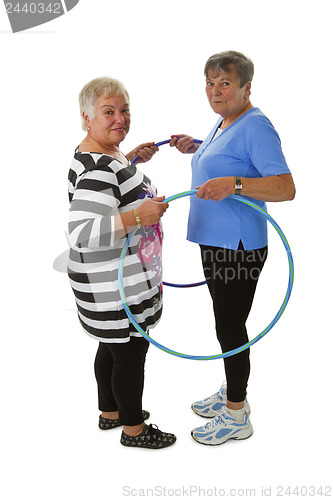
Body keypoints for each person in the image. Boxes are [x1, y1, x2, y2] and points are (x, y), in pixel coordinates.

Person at [170, 51, 295, 446]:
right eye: (210, 83)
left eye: (225, 83)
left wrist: (235, 185)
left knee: (229, 327)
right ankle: (231, 389)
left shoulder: (257, 126)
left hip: (236, 247)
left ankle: (237, 414)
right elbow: (231, 159)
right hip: (214, 240)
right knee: (225, 323)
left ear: (246, 87)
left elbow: (285, 187)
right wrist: (197, 148)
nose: (215, 91)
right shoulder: (226, 121)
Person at [67, 77, 176, 449]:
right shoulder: (98, 168)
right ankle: (133, 430)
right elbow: (81, 233)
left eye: (124, 110)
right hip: (113, 288)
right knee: (129, 352)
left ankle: (110, 412)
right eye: (108, 112)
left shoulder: (103, 155)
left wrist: (130, 161)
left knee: (111, 347)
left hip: (109, 283)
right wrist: (140, 216)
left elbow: (111, 191)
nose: (120, 118)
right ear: (87, 117)